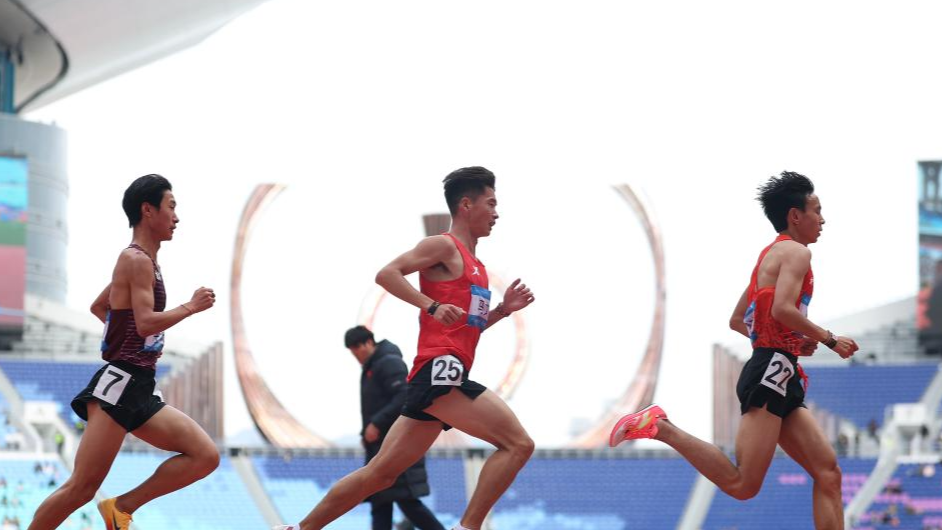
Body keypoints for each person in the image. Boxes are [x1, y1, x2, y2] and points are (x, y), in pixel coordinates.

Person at [274, 166, 536, 530]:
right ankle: (468, 527)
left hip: (439, 376)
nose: (497, 212)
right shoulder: (444, 245)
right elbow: (387, 273)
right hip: (440, 371)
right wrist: (430, 305)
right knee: (518, 444)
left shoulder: (478, 267)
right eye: (490, 203)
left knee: (380, 474)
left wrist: (503, 311)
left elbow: (470, 327)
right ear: (465, 204)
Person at [610, 171, 858, 529]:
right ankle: (660, 426)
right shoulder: (797, 253)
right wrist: (828, 339)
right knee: (743, 485)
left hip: (779, 369)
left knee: (828, 472)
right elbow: (782, 310)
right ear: (795, 215)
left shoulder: (767, 258)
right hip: (771, 371)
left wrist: (789, 341)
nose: (823, 219)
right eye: (817, 210)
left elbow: (740, 320)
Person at [28, 174, 219, 530]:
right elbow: (146, 323)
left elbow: (101, 306)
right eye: (172, 207)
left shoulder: (144, 261)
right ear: (149, 210)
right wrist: (191, 307)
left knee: (205, 456)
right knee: (81, 488)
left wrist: (124, 336)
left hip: (140, 385)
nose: (176, 218)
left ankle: (121, 507)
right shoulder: (136, 260)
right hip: (121, 384)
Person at [344, 325, 445, 530]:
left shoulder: (388, 363)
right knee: (381, 501)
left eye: (357, 349)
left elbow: (403, 397)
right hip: (382, 446)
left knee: (406, 501)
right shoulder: (373, 367)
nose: (356, 355)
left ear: (368, 343)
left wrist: (376, 423)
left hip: (396, 444)